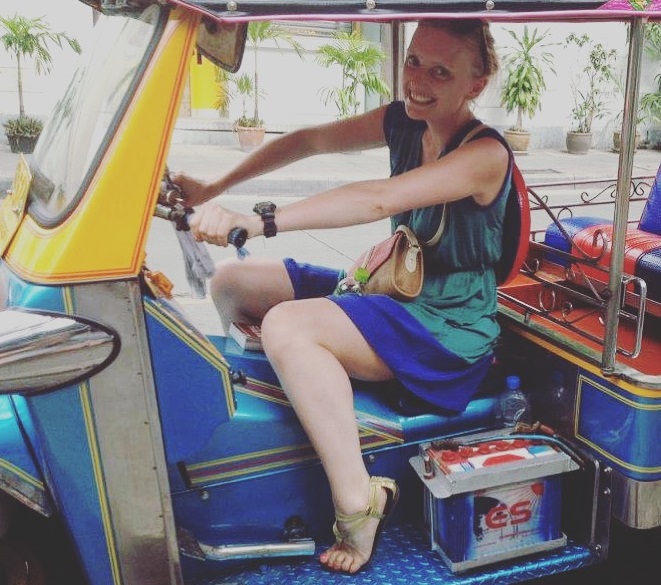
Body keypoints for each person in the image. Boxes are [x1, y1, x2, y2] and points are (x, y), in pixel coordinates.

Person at [173, 18, 509, 574]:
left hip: (446, 328)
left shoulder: (485, 154)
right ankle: (306, 391)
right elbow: (309, 140)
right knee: (232, 283)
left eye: (441, 71)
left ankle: (359, 502)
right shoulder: (405, 122)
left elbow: (380, 200)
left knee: (287, 324)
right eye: (413, 62)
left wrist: (257, 222)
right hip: (394, 291)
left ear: (475, 84)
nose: (418, 80)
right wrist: (213, 188)